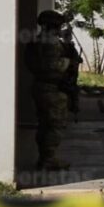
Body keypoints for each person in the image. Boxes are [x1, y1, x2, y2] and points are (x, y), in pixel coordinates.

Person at [25, 10, 72, 170]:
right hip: (51, 88)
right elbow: (54, 67)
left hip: (39, 85)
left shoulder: (36, 41)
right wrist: (68, 61)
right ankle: (49, 159)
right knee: (55, 125)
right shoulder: (51, 43)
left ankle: (44, 157)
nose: (60, 28)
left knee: (44, 124)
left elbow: (30, 63)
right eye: (58, 25)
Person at [61, 25, 83, 120]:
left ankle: (73, 108)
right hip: (65, 74)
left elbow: (77, 58)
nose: (71, 38)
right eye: (69, 36)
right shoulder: (62, 47)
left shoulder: (71, 47)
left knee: (73, 91)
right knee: (67, 93)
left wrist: (77, 60)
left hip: (72, 74)